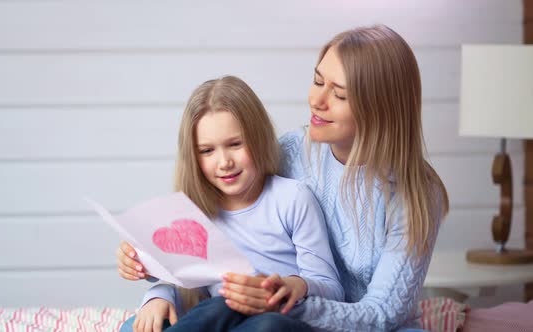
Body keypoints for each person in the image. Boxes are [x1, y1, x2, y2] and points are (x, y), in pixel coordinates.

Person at [118, 24, 449, 332]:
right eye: (318, 81)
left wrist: (280, 302)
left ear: (381, 107)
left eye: (339, 94)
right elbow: (209, 229)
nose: (316, 101)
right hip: (262, 310)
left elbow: (382, 314)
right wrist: (158, 285)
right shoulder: (289, 153)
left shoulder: (414, 195)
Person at [120, 75, 344, 332]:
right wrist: (158, 295)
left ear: (258, 138)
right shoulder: (196, 210)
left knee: (261, 322)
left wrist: (291, 286)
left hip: (283, 318)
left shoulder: (292, 198)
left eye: (235, 144)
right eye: (207, 151)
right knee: (140, 324)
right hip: (221, 315)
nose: (224, 161)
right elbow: (186, 281)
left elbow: (331, 288)